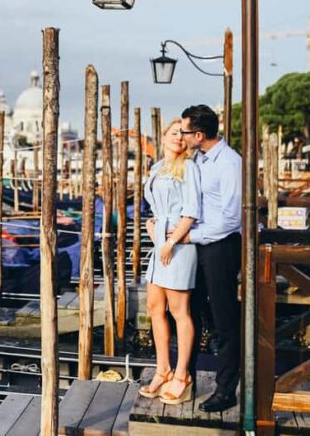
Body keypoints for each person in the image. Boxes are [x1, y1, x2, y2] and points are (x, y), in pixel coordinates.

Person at [176, 104, 242, 412]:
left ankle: (226, 390)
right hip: (197, 244)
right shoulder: (197, 160)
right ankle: (185, 377)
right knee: (194, 310)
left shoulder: (229, 163)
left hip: (220, 247)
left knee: (224, 318)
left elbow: (231, 219)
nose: (182, 135)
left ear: (199, 135)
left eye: (185, 131)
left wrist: (193, 235)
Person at [138, 118, 201, 405]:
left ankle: (182, 375)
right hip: (158, 243)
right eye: (174, 132)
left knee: (179, 311)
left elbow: (191, 212)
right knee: (154, 307)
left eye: (182, 133)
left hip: (177, 244)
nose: (178, 137)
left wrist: (172, 241)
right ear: (163, 135)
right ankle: (162, 368)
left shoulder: (189, 167)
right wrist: (152, 224)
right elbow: (155, 206)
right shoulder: (155, 168)